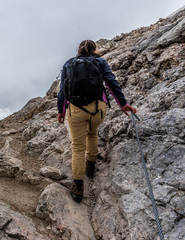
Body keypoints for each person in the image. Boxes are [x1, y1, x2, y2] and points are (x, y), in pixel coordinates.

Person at [57, 40, 137, 203]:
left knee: (78, 148)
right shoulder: (100, 62)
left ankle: (78, 189)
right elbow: (111, 82)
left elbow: (63, 90)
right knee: (92, 134)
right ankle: (91, 166)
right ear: (94, 50)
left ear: (78, 50)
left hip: (76, 110)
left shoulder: (68, 64)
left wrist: (61, 111)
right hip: (98, 109)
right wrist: (123, 104)